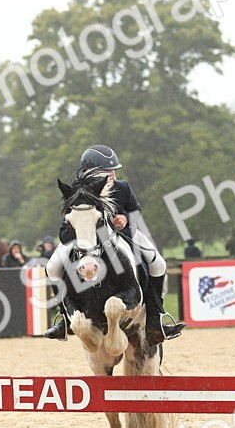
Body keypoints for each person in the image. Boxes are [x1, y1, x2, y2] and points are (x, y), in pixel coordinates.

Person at [44, 144, 183, 345]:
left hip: (123, 235)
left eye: (113, 170)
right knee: (51, 267)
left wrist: (125, 219)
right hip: (84, 242)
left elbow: (135, 212)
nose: (112, 175)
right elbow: (64, 232)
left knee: (158, 263)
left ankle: (156, 319)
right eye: (106, 171)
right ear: (89, 171)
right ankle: (65, 318)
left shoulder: (122, 188)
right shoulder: (76, 193)